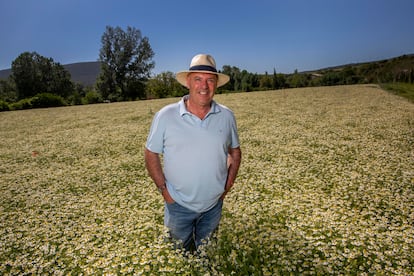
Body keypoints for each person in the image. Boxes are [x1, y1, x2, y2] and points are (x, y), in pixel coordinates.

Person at [144, 54, 242, 251]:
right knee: (179, 257)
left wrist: (228, 185)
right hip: (178, 206)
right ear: (188, 82)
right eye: (198, 79)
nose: (203, 86)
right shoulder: (166, 115)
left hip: (213, 206)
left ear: (216, 85)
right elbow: (150, 153)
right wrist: (165, 192)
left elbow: (235, 151)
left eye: (209, 80)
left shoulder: (226, 115)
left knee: (207, 255)